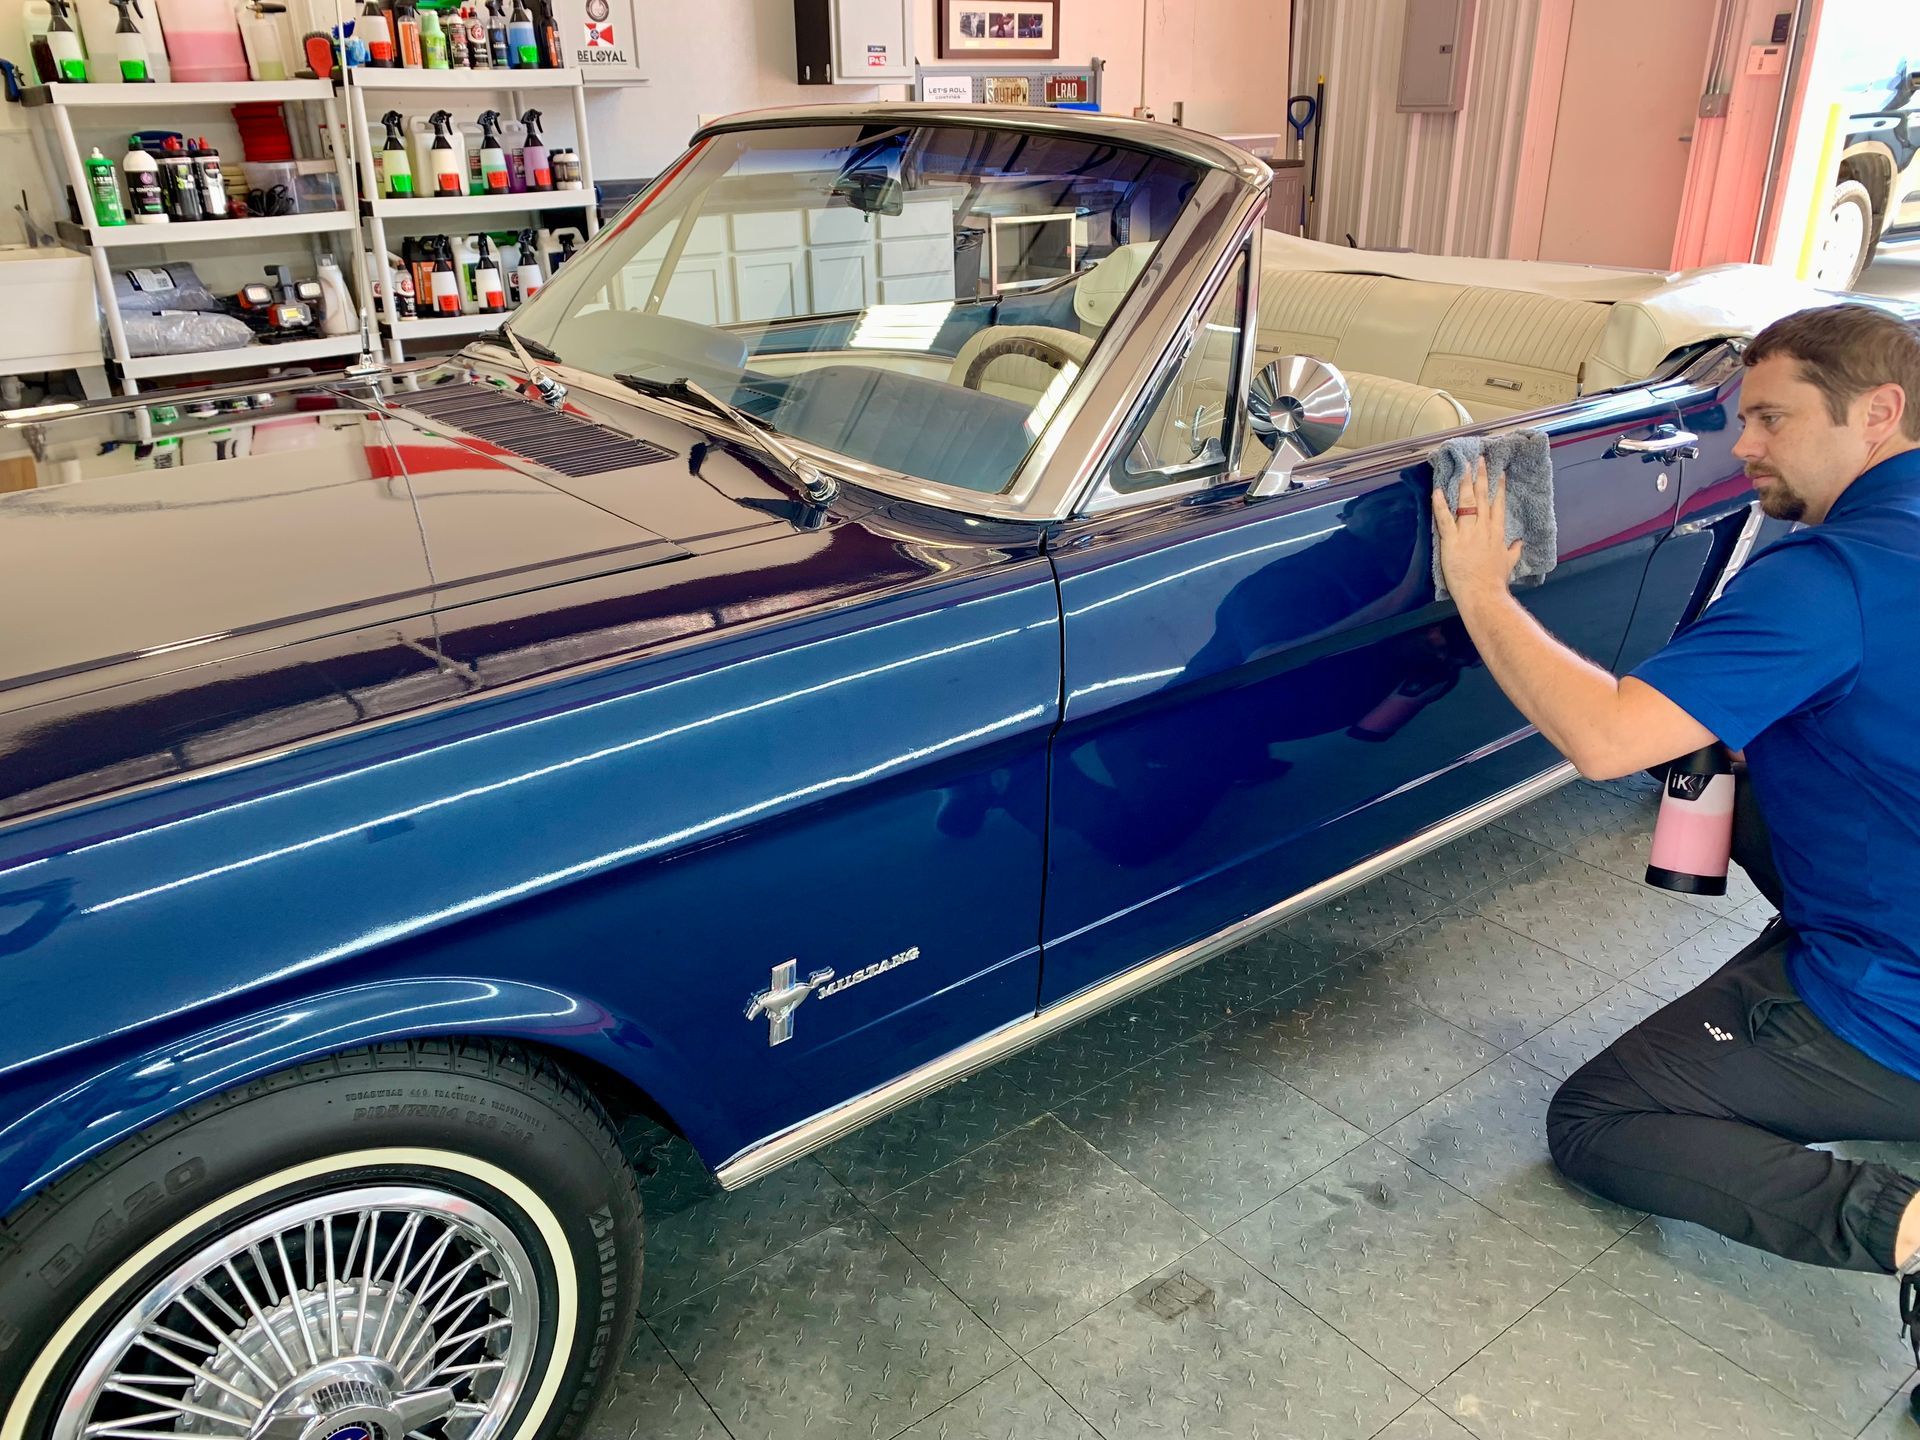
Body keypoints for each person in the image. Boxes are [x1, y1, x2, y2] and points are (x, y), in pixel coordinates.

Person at [1431, 303, 1920, 1418]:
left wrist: (1484, 595)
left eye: (1770, 420)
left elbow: (1604, 737)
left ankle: (1901, 1225)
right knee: (1702, 750)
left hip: (1897, 999)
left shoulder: (1834, 576)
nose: (1742, 446)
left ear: (1879, 413)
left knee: (1597, 1122)